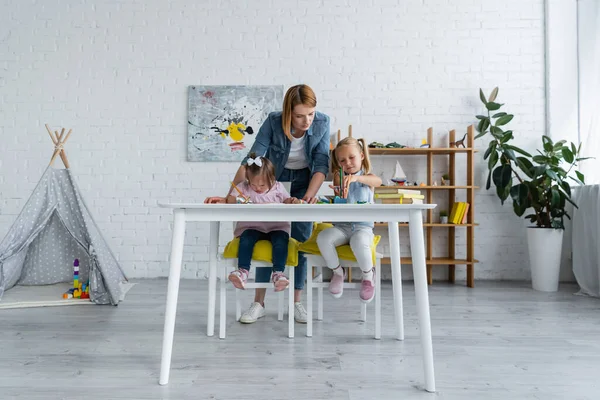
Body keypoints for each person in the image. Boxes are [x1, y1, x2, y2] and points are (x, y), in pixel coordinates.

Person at [205, 84, 331, 324]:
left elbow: (321, 163)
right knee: (265, 231)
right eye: (299, 115)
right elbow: (253, 158)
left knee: (301, 240)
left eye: (311, 114)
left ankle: (296, 302)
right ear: (287, 113)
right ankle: (258, 303)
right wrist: (230, 195)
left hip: (305, 180)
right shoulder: (273, 122)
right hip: (272, 178)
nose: (306, 121)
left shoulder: (323, 123)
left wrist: (308, 198)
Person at [225, 154, 302, 296]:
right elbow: (230, 200)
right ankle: (242, 271)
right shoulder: (244, 187)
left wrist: (292, 201)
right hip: (252, 227)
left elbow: (287, 201)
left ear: (271, 179)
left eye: (262, 185)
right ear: (248, 180)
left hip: (276, 227)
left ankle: (278, 273)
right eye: (253, 184)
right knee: (246, 239)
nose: (257, 188)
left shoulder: (278, 187)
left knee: (281, 241)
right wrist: (236, 198)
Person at [316, 137, 382, 303]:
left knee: (359, 242)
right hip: (342, 227)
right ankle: (338, 272)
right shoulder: (339, 178)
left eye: (352, 157)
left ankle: (368, 275)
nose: (348, 163)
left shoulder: (368, 178)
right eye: (342, 160)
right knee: (323, 238)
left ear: (361, 156)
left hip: (362, 228)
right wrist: (338, 189)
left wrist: (356, 178)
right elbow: (339, 192)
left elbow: (378, 181)